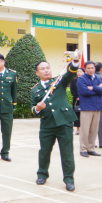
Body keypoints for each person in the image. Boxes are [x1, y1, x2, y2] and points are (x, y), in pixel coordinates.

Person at [32, 51, 81, 191]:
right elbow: (32, 108)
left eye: (48, 68)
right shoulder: (35, 90)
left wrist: (75, 60)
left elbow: (71, 72)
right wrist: (37, 108)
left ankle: (69, 179)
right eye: (43, 68)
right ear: (37, 73)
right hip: (47, 124)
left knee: (67, 152)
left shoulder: (59, 80)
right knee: (44, 151)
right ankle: (42, 174)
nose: (46, 70)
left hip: (64, 122)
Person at [77, 61, 102, 157]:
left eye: (92, 68)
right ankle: (83, 149)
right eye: (88, 68)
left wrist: (93, 88)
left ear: (94, 68)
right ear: (85, 69)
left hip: (97, 107)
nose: (90, 69)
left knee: (94, 130)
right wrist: (97, 89)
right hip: (87, 107)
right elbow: (84, 91)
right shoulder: (81, 79)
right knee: (85, 130)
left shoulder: (97, 78)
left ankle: (91, 148)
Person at [70, 69, 83, 135]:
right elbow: (72, 89)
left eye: (80, 71)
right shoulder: (73, 80)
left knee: (83, 115)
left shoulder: (85, 80)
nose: (79, 73)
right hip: (76, 100)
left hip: (84, 100)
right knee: (77, 115)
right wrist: (76, 97)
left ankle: (83, 129)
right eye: (78, 71)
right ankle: (77, 129)